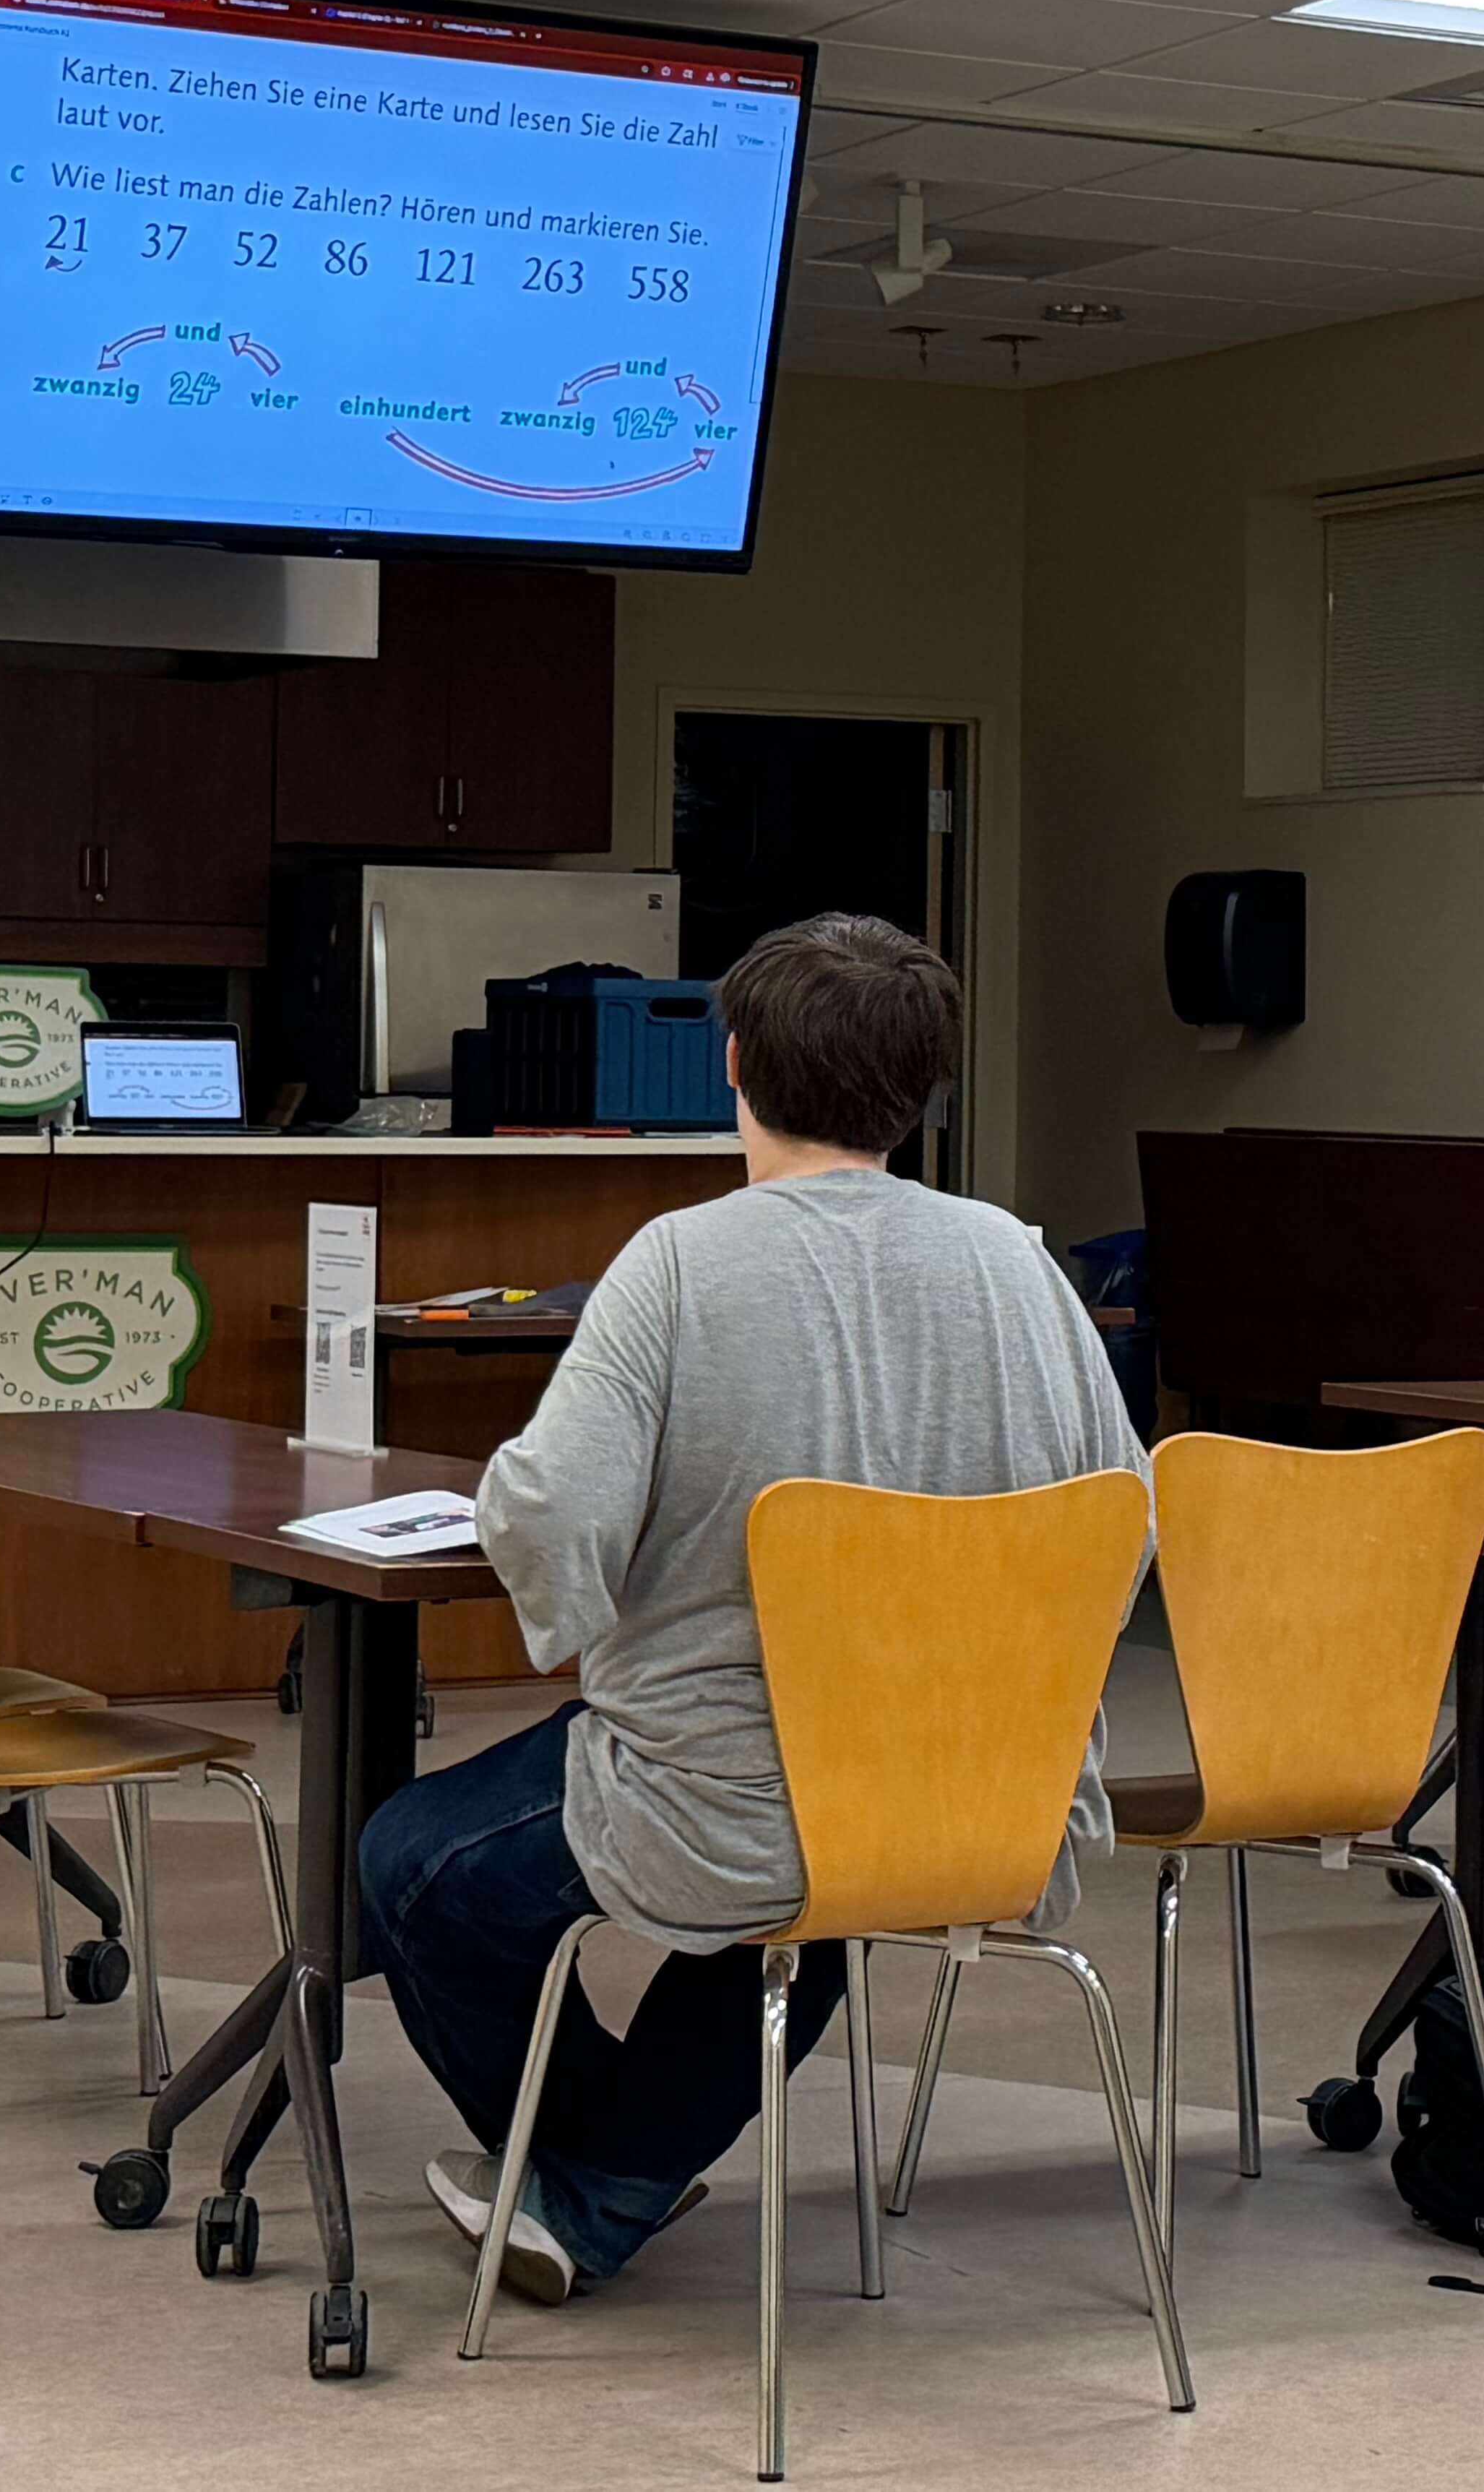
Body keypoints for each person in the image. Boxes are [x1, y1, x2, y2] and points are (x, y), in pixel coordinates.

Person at [358, 913, 1147, 2307]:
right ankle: (609, 2176)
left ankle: (596, 2174)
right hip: (979, 1799)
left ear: (730, 1063)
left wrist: (593, 1622)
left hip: (728, 1791)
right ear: (927, 1091)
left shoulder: (676, 1265)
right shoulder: (1030, 1268)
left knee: (413, 1864)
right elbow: (1120, 1523)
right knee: (824, 1904)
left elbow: (551, 1517)